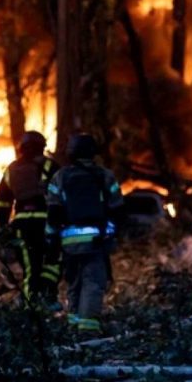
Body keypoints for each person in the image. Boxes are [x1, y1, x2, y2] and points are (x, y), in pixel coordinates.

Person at [45, 134, 123, 334]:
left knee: (74, 283)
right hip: (96, 240)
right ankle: (87, 330)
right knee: (93, 282)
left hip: (69, 241)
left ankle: (73, 325)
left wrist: (52, 241)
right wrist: (112, 233)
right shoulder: (105, 176)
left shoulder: (59, 177)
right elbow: (117, 208)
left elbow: (53, 213)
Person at [0, 131, 60, 305]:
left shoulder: (12, 169)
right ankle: (43, 299)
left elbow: (2, 202)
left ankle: (33, 305)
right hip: (47, 223)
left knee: (31, 267)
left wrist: (2, 226)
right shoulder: (51, 166)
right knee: (53, 260)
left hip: (23, 225)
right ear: (42, 147)